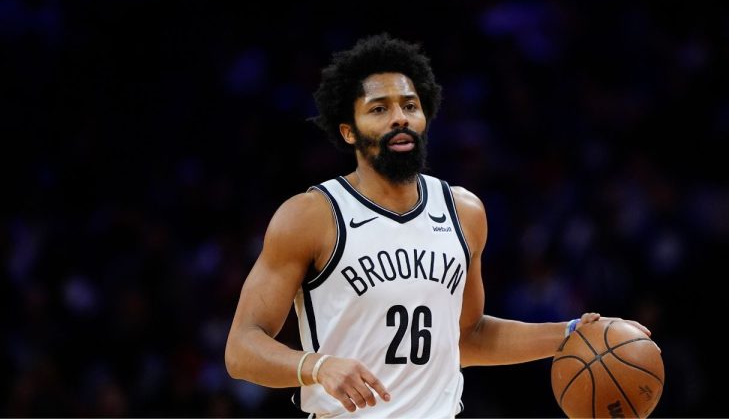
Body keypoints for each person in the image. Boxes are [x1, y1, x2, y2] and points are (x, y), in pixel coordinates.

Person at [224, 33, 651, 417]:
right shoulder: (311, 215)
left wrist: (571, 333)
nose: (400, 118)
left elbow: (467, 338)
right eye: (379, 109)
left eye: (410, 106)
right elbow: (241, 349)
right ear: (348, 131)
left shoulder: (463, 211)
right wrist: (315, 366)